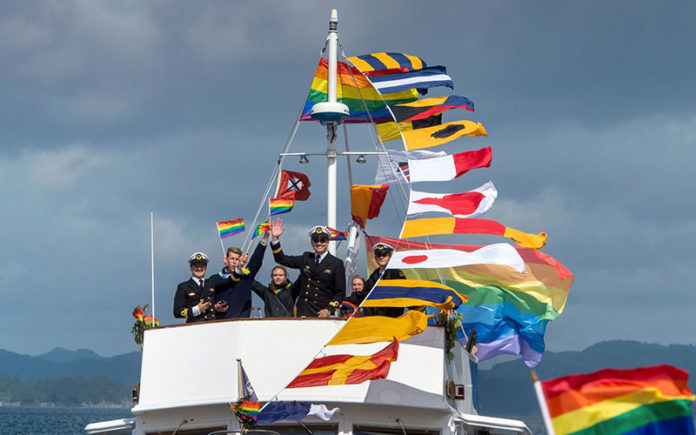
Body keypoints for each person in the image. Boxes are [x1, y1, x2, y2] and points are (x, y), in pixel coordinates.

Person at [270, 218, 345, 318]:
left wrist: (329, 309)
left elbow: (340, 292)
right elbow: (281, 259)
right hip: (303, 312)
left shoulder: (336, 263)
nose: (319, 243)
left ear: (327, 242)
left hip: (322, 314)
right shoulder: (306, 258)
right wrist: (275, 239)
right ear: (311, 242)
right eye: (316, 240)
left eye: (322, 240)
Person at [210, 232, 267, 319]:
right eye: (232, 258)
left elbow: (256, 260)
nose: (234, 262)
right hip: (220, 324)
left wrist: (265, 238)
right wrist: (215, 307)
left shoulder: (245, 277)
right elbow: (207, 303)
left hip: (241, 324)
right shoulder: (214, 279)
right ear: (226, 259)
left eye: (237, 259)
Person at [173, 252, 241, 323]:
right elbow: (177, 312)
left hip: (212, 326)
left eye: (202, 266)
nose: (199, 268)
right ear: (191, 267)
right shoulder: (183, 287)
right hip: (193, 328)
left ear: (206, 267)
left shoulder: (211, 283)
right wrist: (197, 309)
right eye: (196, 266)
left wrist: (238, 269)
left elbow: (229, 283)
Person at [364, 243, 406, 317]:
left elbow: (405, 292)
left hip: (393, 317)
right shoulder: (374, 275)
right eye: (378, 255)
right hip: (376, 317)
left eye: (384, 255)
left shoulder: (396, 273)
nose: (381, 257)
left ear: (390, 257)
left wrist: (418, 309)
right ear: (375, 258)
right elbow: (364, 293)